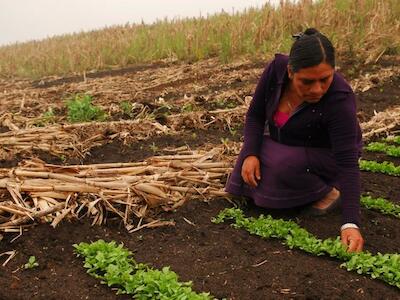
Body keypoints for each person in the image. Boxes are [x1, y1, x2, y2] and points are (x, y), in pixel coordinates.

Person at [225, 28, 364, 253]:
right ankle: (285, 185)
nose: (317, 89)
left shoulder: (339, 99)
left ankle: (329, 190)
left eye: (325, 79)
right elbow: (255, 115)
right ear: (291, 71)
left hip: (326, 154)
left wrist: (350, 223)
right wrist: (251, 153)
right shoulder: (276, 71)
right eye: (307, 82)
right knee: (250, 156)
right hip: (289, 142)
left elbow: (347, 162)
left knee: (282, 164)